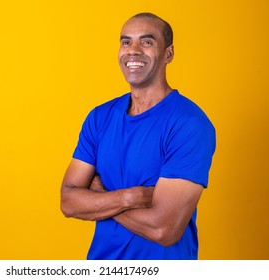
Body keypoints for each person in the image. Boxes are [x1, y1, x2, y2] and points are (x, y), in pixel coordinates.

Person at [60, 12, 216, 260]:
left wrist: (100, 199)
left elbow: (164, 229)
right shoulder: (99, 118)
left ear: (168, 54)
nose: (132, 50)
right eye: (125, 42)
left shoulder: (189, 124)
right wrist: (131, 197)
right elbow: (68, 201)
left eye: (147, 42)